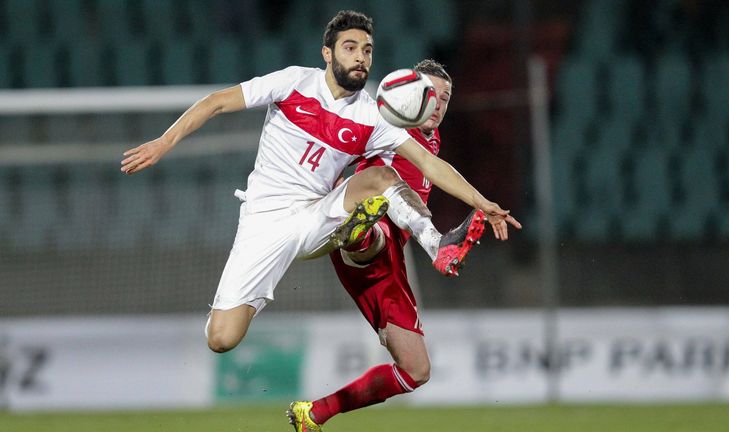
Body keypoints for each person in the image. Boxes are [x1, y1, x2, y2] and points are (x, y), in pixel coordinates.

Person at [120, 9, 519, 428]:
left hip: (317, 214)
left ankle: (428, 242)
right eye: (351, 48)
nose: (361, 57)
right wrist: (165, 142)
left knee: (380, 177)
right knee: (221, 338)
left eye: (367, 50)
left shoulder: (371, 115)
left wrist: (482, 201)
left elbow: (429, 165)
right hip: (265, 219)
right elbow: (217, 102)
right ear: (327, 53)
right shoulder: (294, 82)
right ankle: (354, 239)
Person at [286, 60, 520, 431]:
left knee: (416, 370)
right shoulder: (386, 124)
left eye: (445, 98)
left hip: (392, 256)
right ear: (408, 95)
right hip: (368, 231)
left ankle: (313, 413)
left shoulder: (431, 140)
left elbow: (437, 170)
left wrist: (482, 203)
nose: (438, 104)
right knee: (378, 211)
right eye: (430, 95)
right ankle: (361, 231)